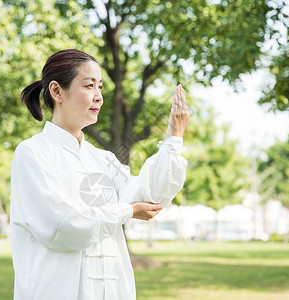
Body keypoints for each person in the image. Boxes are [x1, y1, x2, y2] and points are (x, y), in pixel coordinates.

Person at [10, 49, 189, 300]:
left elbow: (149, 197)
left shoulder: (102, 159)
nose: (98, 97)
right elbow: (62, 226)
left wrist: (173, 139)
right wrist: (126, 211)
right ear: (56, 91)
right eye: (89, 85)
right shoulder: (33, 153)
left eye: (101, 88)